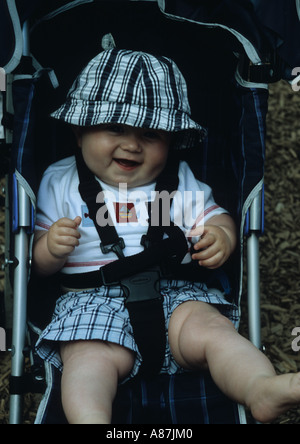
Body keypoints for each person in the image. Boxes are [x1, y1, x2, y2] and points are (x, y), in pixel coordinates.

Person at [33, 49, 300, 424]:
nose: (132, 144)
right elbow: (38, 266)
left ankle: (258, 387)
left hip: (177, 297)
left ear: (172, 140)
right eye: (115, 128)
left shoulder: (178, 179)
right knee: (87, 361)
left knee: (215, 334)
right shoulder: (60, 181)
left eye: (150, 133)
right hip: (91, 303)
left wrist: (221, 236)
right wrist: (50, 247)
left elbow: (217, 218)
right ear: (79, 131)